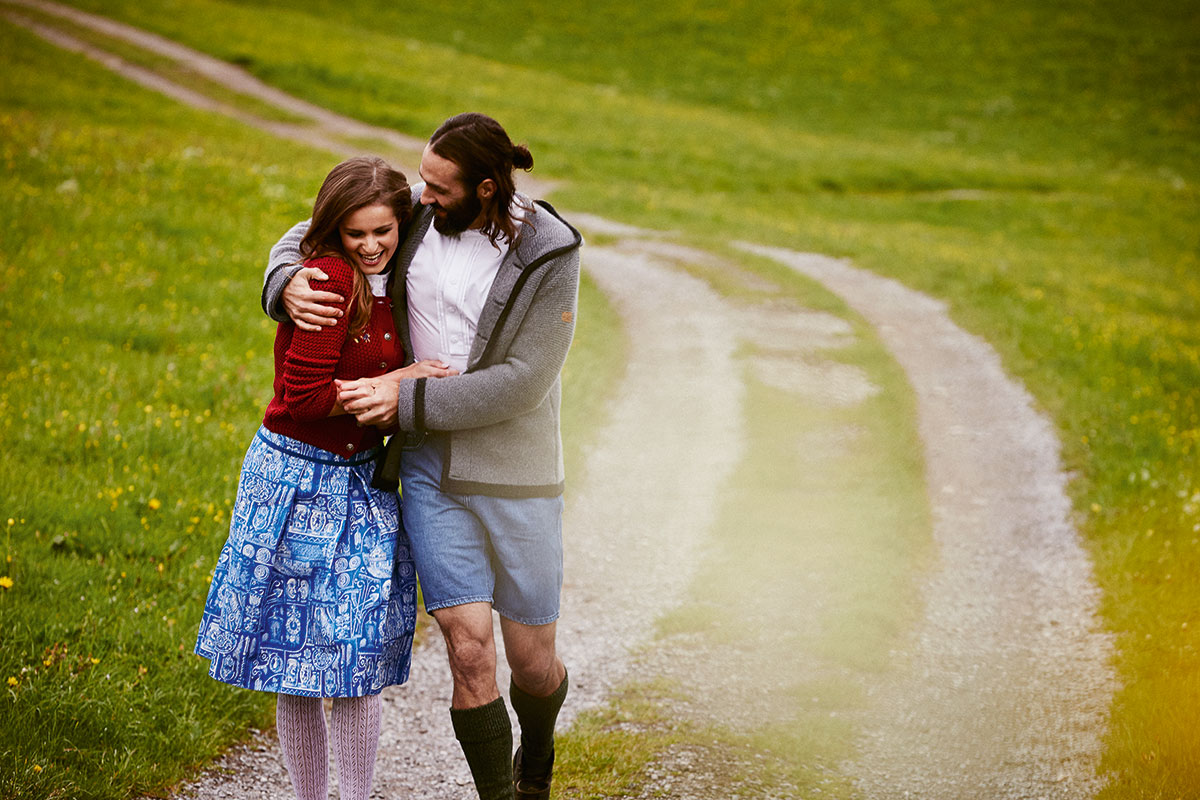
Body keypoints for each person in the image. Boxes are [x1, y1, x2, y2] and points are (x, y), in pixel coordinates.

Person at [262, 113, 582, 800]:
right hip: (430, 467)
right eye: (421, 181)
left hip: (518, 471)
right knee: (469, 650)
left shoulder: (550, 250)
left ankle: (541, 745)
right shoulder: (418, 212)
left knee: (533, 664)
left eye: (438, 186)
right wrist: (283, 278)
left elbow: (525, 381)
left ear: (487, 188)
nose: (421, 196)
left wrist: (402, 401)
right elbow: (324, 223)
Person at [196, 156, 456, 800]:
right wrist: (401, 382)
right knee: (296, 665)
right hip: (294, 481)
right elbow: (304, 398)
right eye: (355, 233)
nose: (370, 246)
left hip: (363, 483)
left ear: (404, 225)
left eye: (382, 233)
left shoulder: (400, 275)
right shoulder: (328, 282)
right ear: (334, 231)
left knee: (354, 660)